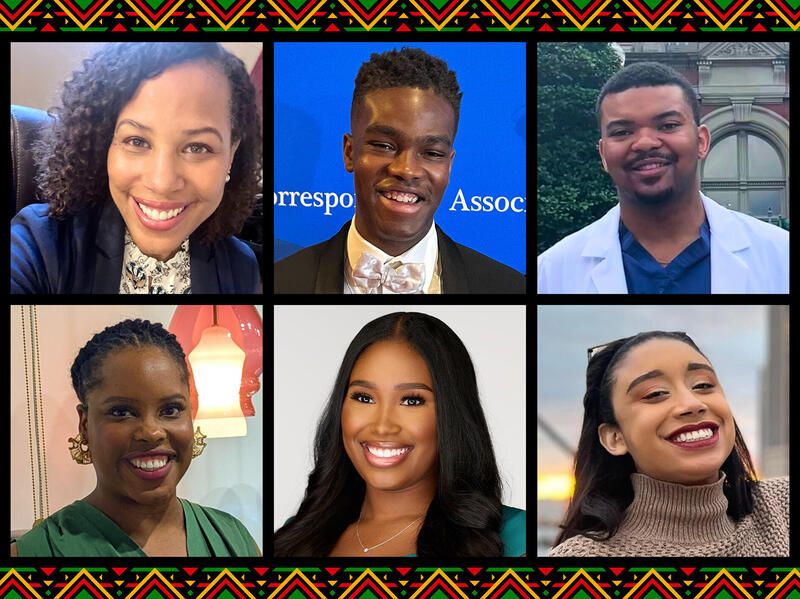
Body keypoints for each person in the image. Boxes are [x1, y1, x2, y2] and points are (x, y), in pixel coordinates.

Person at [11, 42, 262, 294]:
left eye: (197, 147)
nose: (162, 182)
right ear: (104, 145)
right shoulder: (39, 245)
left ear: (231, 155)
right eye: (137, 141)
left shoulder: (241, 268)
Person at [273, 48, 525, 294]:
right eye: (384, 146)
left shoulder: (509, 287)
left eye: (432, 153)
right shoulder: (279, 281)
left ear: (448, 165)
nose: (406, 170)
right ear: (350, 152)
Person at [274, 312, 526, 556]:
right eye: (364, 397)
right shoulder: (294, 536)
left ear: (452, 414)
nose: (383, 426)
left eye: (411, 401)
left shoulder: (516, 539)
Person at [12, 319, 260, 557]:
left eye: (170, 410)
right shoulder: (36, 552)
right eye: (122, 412)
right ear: (85, 425)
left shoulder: (235, 540)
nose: (152, 432)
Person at [537, 62, 789, 294]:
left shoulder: (781, 255)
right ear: (603, 154)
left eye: (667, 125)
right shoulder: (551, 272)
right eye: (623, 131)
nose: (645, 143)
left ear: (701, 141)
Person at [549, 331, 789, 557]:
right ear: (615, 438)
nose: (692, 403)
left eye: (703, 385)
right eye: (655, 393)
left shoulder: (781, 507)